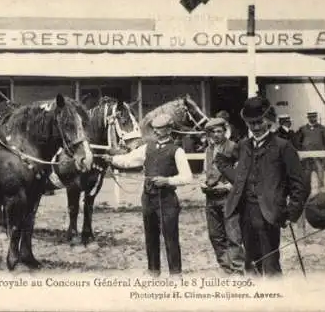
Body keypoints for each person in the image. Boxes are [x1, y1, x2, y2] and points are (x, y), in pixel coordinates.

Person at [214, 96, 307, 277]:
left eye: (259, 122)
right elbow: (221, 159)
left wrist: (291, 213)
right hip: (245, 211)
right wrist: (238, 180)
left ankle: (275, 300)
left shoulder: (283, 147)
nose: (255, 128)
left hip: (270, 214)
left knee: (271, 263)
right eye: (251, 124)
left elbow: (300, 185)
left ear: (268, 121)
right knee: (251, 261)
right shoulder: (243, 145)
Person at [101, 114, 193, 276]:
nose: (156, 132)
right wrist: (111, 159)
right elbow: (128, 160)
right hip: (148, 197)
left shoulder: (177, 151)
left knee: (170, 236)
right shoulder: (147, 148)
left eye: (160, 129)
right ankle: (153, 271)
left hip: (167, 199)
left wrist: (167, 180)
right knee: (150, 236)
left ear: (169, 130)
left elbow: (187, 177)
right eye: (154, 129)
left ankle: (175, 274)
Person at [201, 117, 244, 275]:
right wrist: (203, 183)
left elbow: (241, 173)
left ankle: (238, 269)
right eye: (213, 132)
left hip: (228, 197)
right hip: (211, 197)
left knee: (233, 235)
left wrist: (229, 186)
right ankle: (227, 269)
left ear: (225, 132)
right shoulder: (209, 150)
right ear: (209, 134)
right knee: (215, 236)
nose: (217, 134)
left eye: (220, 131)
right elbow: (206, 171)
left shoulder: (233, 147)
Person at [296, 112, 325, 191]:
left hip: (319, 158)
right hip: (306, 159)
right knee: (306, 179)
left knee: (321, 179)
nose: (313, 119)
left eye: (314, 117)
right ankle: (307, 197)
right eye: (311, 117)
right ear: (308, 118)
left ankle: (321, 197)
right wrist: (301, 155)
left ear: (316, 117)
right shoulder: (302, 129)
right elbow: (298, 142)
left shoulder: (322, 128)